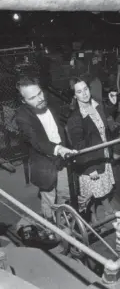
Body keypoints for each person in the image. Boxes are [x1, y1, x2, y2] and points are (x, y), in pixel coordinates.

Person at [15, 76, 77, 224]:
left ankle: (63, 221)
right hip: (43, 163)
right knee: (49, 199)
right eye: (33, 98)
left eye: (40, 93)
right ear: (24, 101)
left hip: (62, 159)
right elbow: (36, 141)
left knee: (65, 194)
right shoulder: (22, 116)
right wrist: (58, 148)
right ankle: (50, 226)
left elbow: (64, 122)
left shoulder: (50, 103)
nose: (40, 99)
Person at [66, 75, 118, 224]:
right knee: (92, 194)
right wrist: (90, 168)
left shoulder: (97, 106)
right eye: (79, 92)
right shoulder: (75, 118)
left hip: (103, 154)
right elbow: (79, 147)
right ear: (74, 96)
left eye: (86, 89)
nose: (84, 94)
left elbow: (105, 124)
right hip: (90, 162)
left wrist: (113, 105)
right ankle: (92, 218)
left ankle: (107, 208)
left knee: (104, 186)